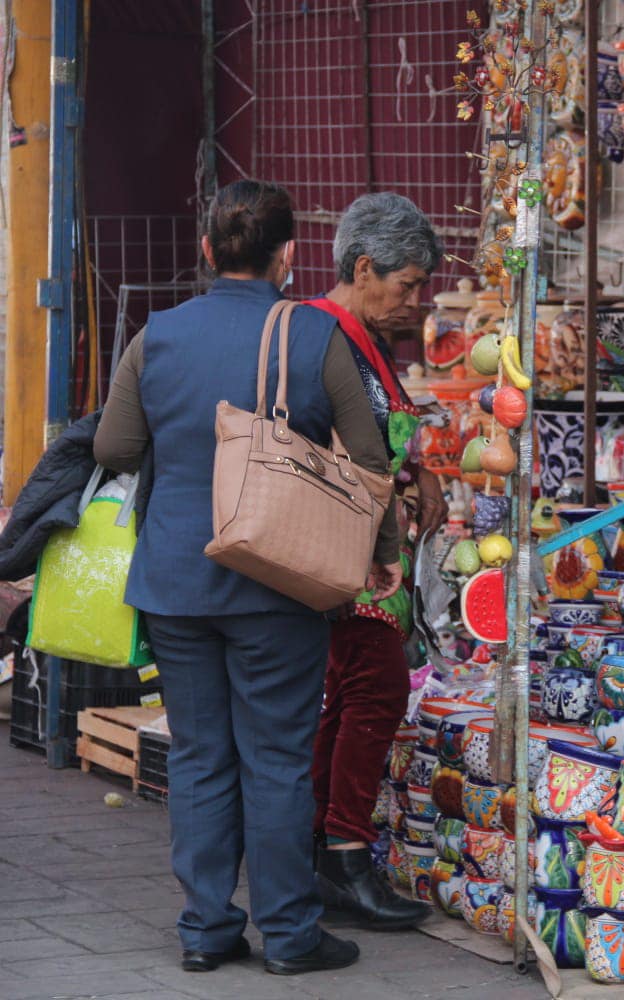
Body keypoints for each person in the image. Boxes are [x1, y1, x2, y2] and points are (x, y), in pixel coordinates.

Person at [95, 179, 402, 976]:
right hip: (277, 577)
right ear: (290, 257)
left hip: (175, 580)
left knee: (199, 756)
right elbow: (371, 461)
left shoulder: (155, 335)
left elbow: (114, 449)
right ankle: (291, 936)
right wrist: (385, 547)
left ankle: (205, 930)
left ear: (206, 252)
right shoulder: (312, 336)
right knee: (276, 756)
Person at [305, 192, 444, 928]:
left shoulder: (364, 340)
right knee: (377, 692)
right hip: (352, 559)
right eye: (408, 284)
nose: (416, 302)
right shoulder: (326, 338)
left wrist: (416, 472)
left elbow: (382, 442)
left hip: (369, 556)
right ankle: (346, 853)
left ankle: (320, 848)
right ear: (364, 267)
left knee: (351, 698)